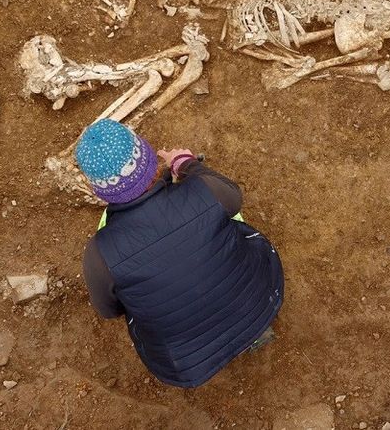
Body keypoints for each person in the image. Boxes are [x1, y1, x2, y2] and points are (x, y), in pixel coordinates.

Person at [75, 118, 283, 388]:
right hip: (260, 303)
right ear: (149, 162)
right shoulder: (206, 191)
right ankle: (254, 332)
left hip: (184, 364)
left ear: (99, 191)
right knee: (232, 223)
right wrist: (186, 163)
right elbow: (234, 197)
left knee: (138, 302)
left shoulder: (98, 254)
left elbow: (109, 310)